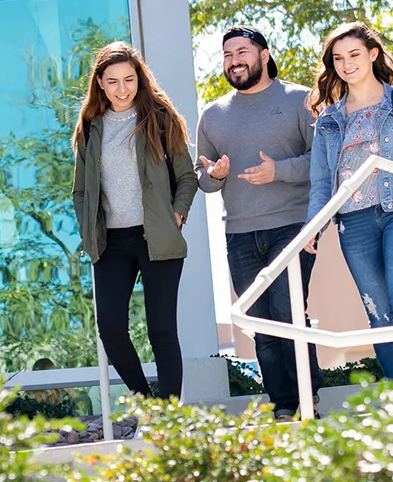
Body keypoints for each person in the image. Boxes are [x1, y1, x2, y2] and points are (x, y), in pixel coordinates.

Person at [304, 22, 393, 385]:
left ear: (373, 54)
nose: (347, 64)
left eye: (354, 54)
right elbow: (321, 182)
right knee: (377, 310)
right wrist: (313, 226)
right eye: (338, 58)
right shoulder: (329, 121)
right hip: (353, 222)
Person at [195, 26, 323, 420]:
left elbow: (322, 162)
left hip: (292, 226)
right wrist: (215, 175)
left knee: (288, 313)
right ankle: (283, 404)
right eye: (227, 54)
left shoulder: (300, 99)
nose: (234, 60)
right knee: (261, 324)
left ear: (263, 55)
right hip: (239, 233)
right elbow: (204, 180)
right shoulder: (212, 116)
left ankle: (309, 400)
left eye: (242, 52)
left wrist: (278, 172)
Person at [71, 41, 198, 400]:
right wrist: (88, 230)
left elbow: (186, 177)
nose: (122, 89)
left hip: (157, 237)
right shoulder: (90, 128)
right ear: (99, 83)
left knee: (161, 331)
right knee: (110, 328)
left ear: (140, 79)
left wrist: (177, 213)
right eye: (112, 81)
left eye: (129, 79)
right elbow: (80, 191)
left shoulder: (160, 118)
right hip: (110, 243)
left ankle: (170, 414)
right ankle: (148, 403)